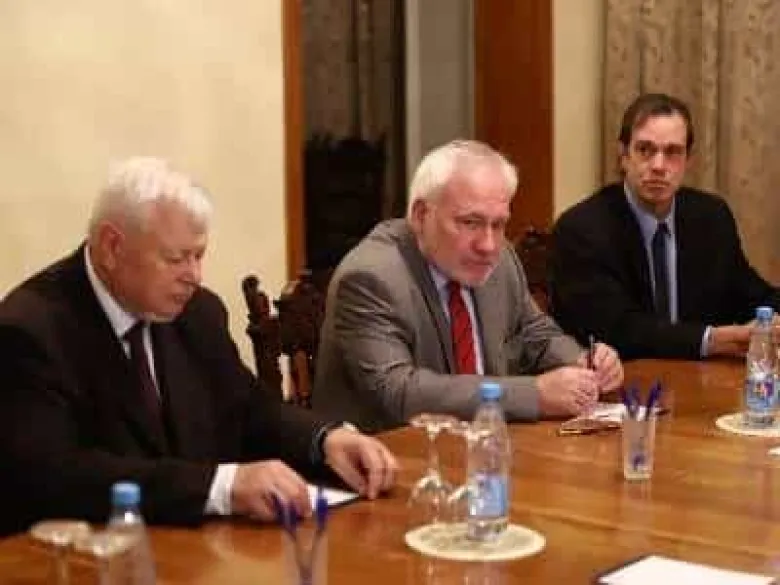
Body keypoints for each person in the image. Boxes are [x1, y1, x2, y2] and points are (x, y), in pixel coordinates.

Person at [0, 157, 398, 536]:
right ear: (111, 247)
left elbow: (248, 409)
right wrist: (220, 486)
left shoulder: (198, 312)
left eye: (199, 255)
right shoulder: (30, 331)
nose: (194, 276)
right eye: (176, 258)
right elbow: (57, 476)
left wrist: (325, 440)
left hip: (192, 551)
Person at [312, 140, 623, 433]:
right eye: (470, 223)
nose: (488, 245)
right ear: (420, 215)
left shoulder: (499, 259)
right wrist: (536, 395)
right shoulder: (371, 278)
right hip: (388, 458)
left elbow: (533, 333)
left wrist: (583, 362)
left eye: (498, 224)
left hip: (482, 447)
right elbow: (399, 393)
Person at [550, 93, 780, 360]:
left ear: (687, 161)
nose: (658, 166)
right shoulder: (582, 230)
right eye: (645, 150)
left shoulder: (710, 217)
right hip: (621, 380)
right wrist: (711, 340)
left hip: (701, 378)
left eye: (672, 152)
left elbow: (750, 294)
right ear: (623, 156)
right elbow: (617, 330)